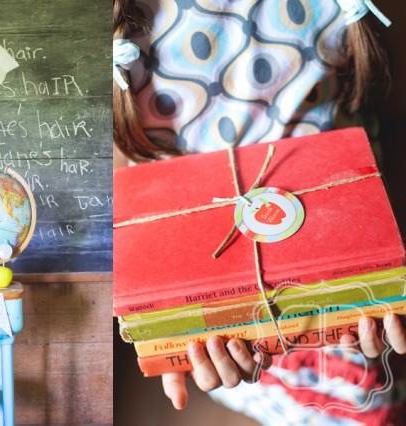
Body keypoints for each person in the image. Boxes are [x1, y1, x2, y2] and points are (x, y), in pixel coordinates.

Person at [113, 0, 406, 424]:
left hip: (349, 313)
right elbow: (132, 180)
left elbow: (383, 122)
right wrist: (167, 329)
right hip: (222, 316)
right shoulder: (119, 21)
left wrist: (392, 268)